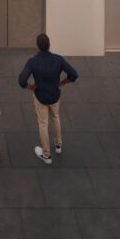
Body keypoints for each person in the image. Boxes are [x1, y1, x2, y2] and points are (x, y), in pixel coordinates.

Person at [17, 32, 79, 164]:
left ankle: (46, 155)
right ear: (49, 44)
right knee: (56, 117)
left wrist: (31, 87)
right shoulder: (58, 59)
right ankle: (58, 145)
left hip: (40, 96)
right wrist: (62, 83)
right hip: (55, 95)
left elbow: (21, 80)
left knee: (43, 124)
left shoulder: (33, 62)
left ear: (38, 46)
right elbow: (74, 74)